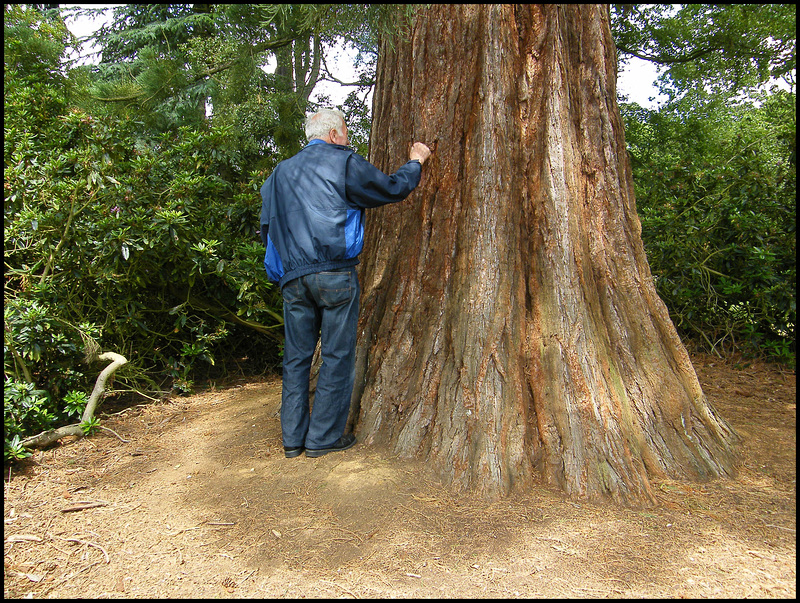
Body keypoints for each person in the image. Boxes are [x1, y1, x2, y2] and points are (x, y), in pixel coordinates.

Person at [260, 108, 431, 458]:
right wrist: (415, 162)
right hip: (334, 273)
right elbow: (391, 188)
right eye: (347, 134)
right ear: (336, 133)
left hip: (292, 280)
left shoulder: (278, 175)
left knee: (296, 358)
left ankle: (293, 439)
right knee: (337, 355)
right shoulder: (343, 162)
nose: (348, 140)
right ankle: (322, 438)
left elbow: (266, 229)